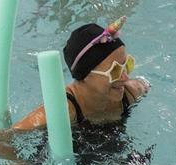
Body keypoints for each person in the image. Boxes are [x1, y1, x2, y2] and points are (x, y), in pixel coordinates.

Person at [12, 17, 150, 130]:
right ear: (85, 75)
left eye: (127, 65)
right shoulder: (63, 109)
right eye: (115, 70)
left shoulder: (131, 92)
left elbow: (146, 85)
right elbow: (6, 137)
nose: (125, 78)